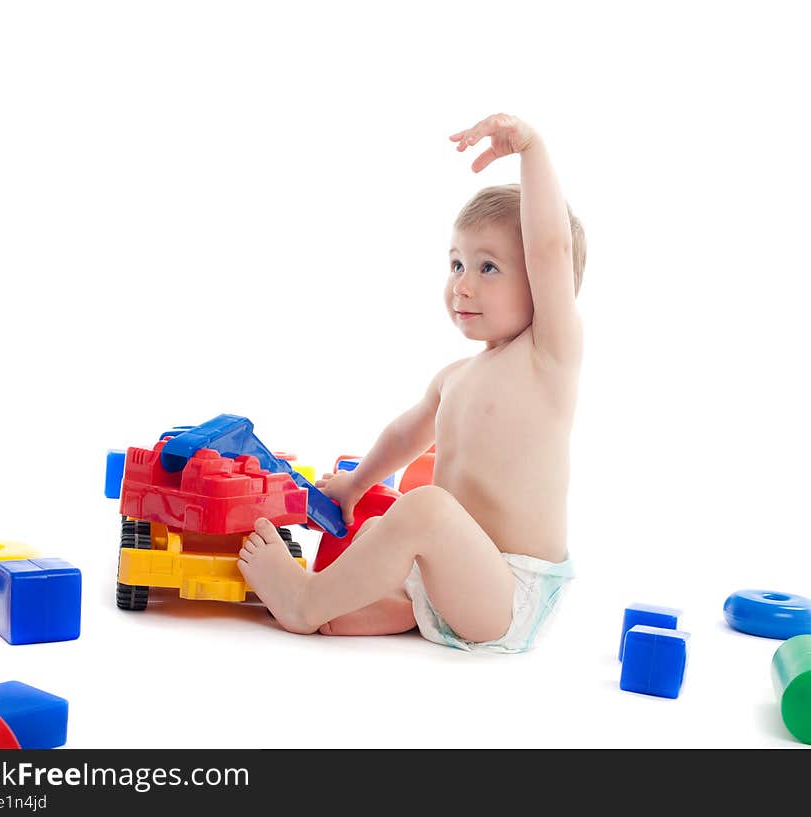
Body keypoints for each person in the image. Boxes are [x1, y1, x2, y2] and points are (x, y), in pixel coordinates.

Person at [238, 112, 586, 653]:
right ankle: (387, 609)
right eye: (455, 265)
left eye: (487, 268)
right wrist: (354, 486)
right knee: (383, 532)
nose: (462, 286)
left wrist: (532, 149)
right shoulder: (456, 377)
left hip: (507, 592)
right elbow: (406, 437)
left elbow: (550, 249)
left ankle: (306, 602)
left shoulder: (548, 358)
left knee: (423, 508)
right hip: (450, 583)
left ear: (545, 288)